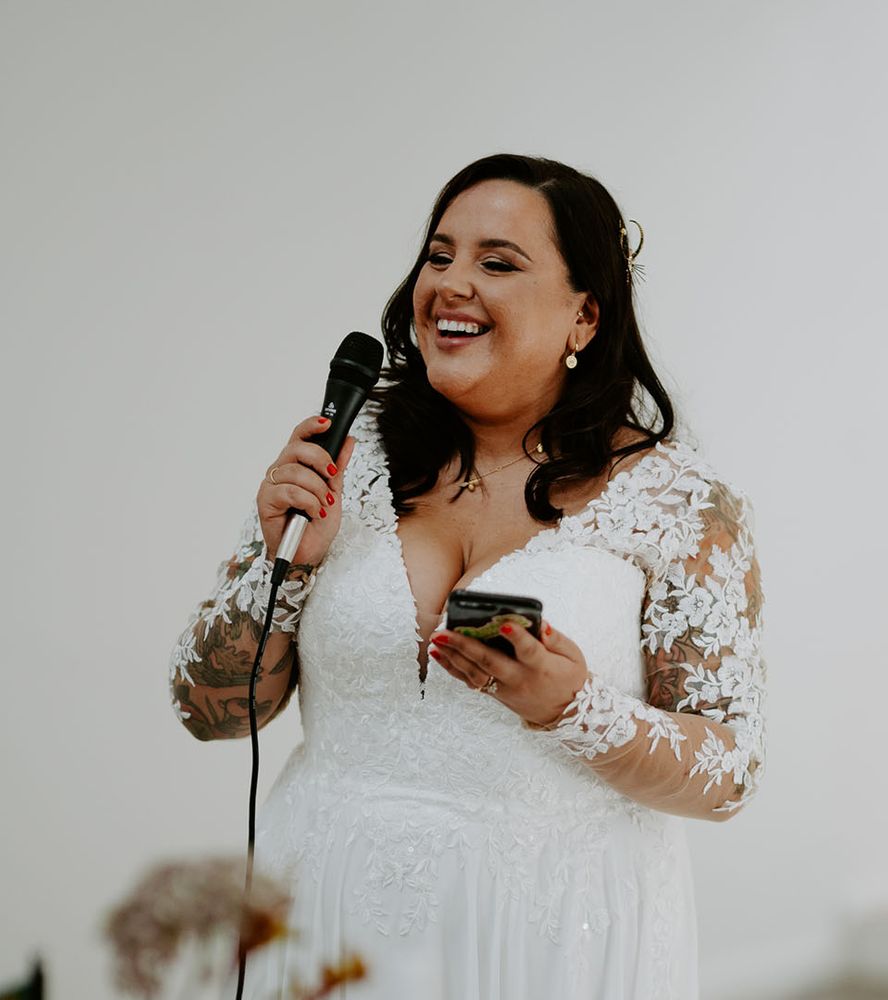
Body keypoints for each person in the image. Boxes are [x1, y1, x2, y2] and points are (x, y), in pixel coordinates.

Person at [169, 154, 766, 999]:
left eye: (498, 262)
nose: (450, 284)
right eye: (439, 255)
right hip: (326, 907)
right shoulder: (345, 451)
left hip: (550, 933)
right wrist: (288, 565)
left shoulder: (681, 503)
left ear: (584, 317)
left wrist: (575, 710)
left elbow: (730, 772)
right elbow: (208, 711)